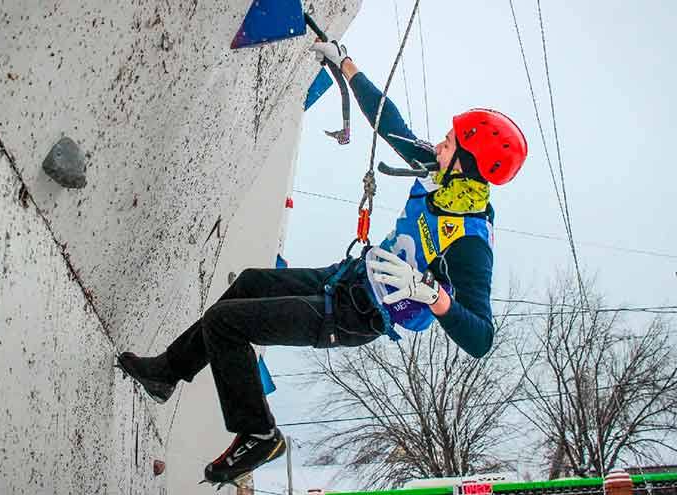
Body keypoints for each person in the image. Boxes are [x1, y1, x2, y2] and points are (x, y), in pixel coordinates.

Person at [116, 39, 528, 486]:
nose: (438, 146)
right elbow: (390, 124)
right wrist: (346, 65)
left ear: (466, 165)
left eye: (448, 145)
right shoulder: (439, 173)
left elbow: (482, 338)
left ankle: (258, 431)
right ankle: (166, 375)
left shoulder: (471, 242)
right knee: (250, 282)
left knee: (225, 323)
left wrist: (433, 296)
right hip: (347, 278)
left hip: (358, 316)